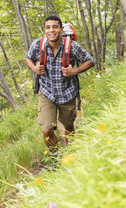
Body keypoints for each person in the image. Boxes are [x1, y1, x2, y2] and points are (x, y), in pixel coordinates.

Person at [25, 16, 94, 154]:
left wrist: (75, 71)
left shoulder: (72, 46)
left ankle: (71, 152)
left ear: (61, 29)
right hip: (47, 93)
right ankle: (57, 158)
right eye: (48, 27)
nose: (52, 30)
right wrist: (34, 68)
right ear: (45, 30)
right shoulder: (38, 45)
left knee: (69, 127)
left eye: (55, 27)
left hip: (67, 93)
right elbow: (27, 58)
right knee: (47, 131)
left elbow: (90, 61)